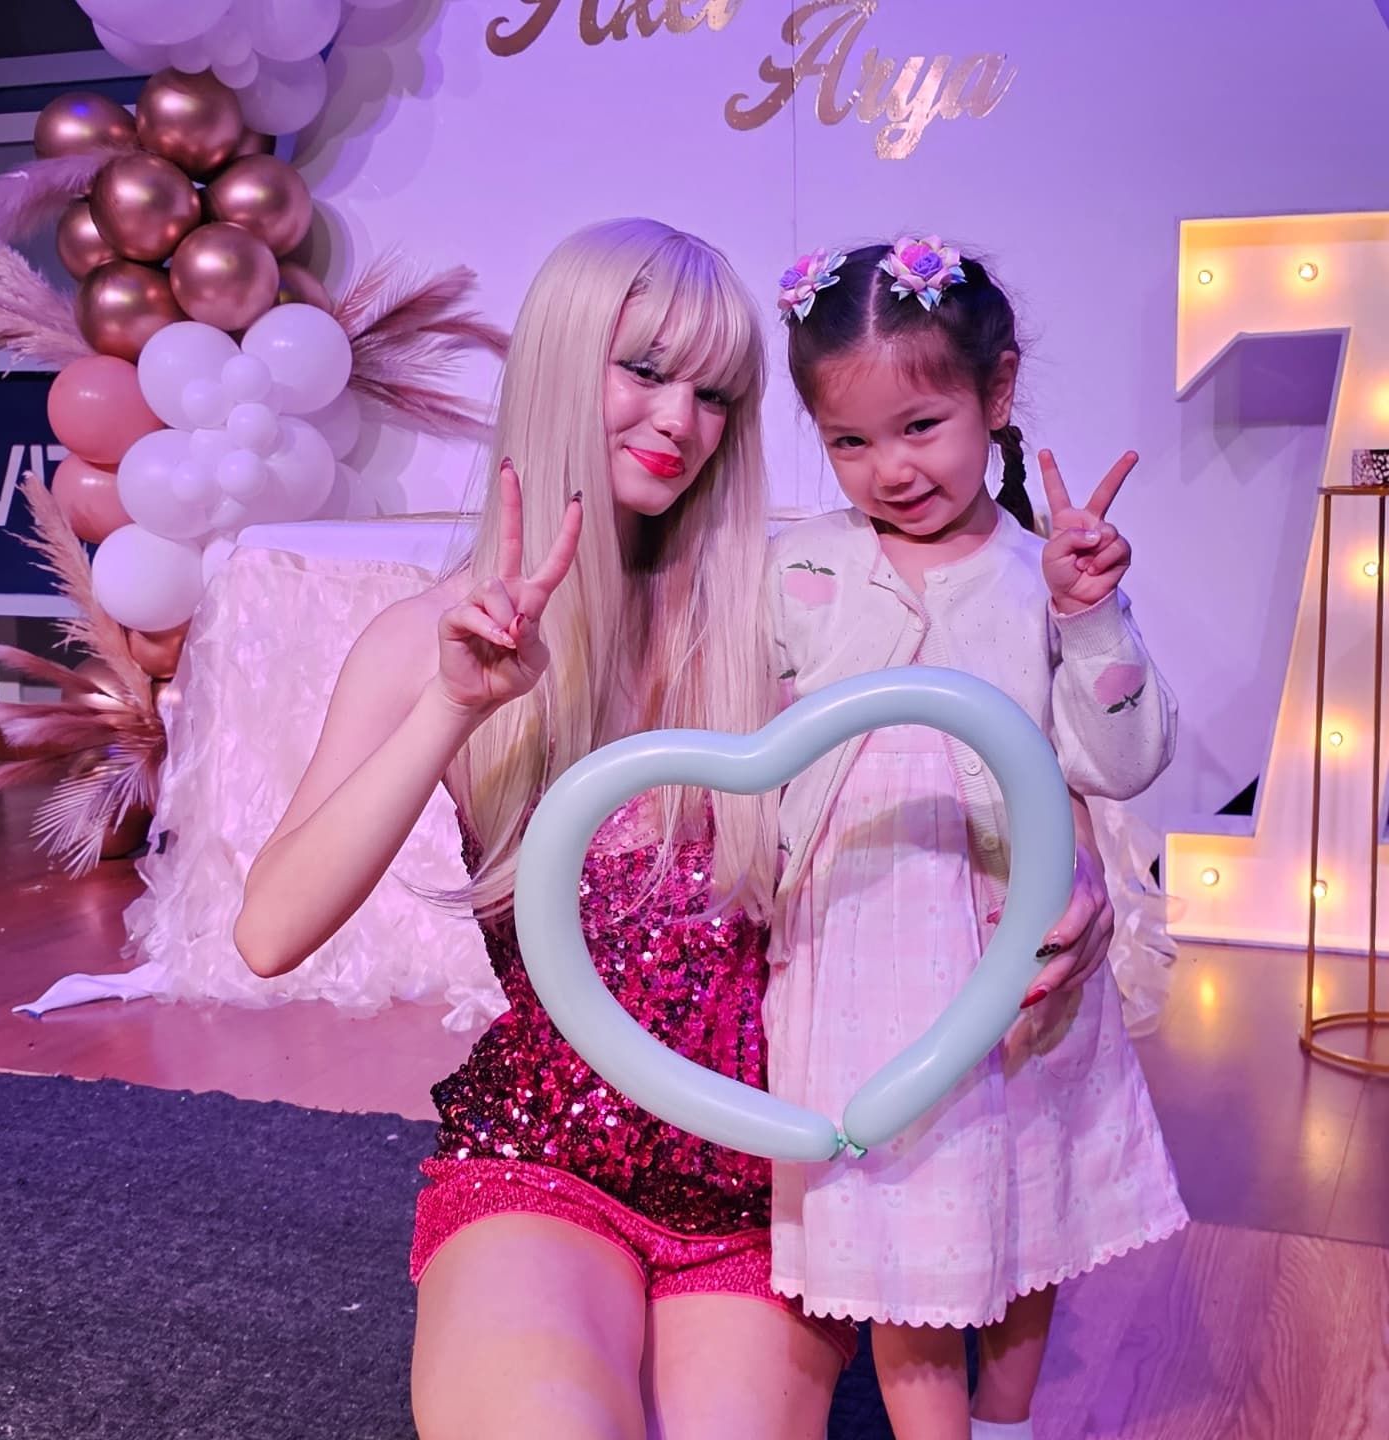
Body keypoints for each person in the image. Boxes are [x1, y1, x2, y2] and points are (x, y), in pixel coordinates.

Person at [233, 218, 858, 1440]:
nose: (681, 419)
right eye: (645, 370)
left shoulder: (791, 626)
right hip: (543, 1158)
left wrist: (1067, 893)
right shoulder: (426, 640)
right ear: (567, 366)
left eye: (717, 392)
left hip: (756, 1176)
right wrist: (451, 709)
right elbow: (269, 932)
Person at [764, 236, 1188, 1440]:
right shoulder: (795, 567)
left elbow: (1121, 761)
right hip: (858, 954)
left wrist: (1088, 614)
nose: (890, 469)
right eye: (851, 441)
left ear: (996, 395)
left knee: (1022, 1223)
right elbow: (751, 747)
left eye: (922, 424)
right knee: (907, 1242)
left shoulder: (1039, 576)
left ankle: (1008, 1428)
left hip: (1013, 951)